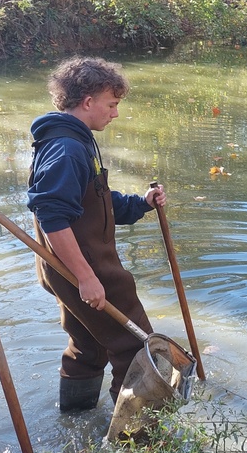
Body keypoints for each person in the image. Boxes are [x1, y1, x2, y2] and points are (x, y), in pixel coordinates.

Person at [27, 57, 166, 412]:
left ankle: (75, 414)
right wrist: (87, 278)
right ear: (88, 102)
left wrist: (141, 204)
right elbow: (52, 216)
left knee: (89, 345)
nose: (115, 113)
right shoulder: (67, 148)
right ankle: (134, 447)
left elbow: (92, 202)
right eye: (112, 104)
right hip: (87, 267)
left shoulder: (76, 141)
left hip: (65, 269)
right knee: (136, 348)